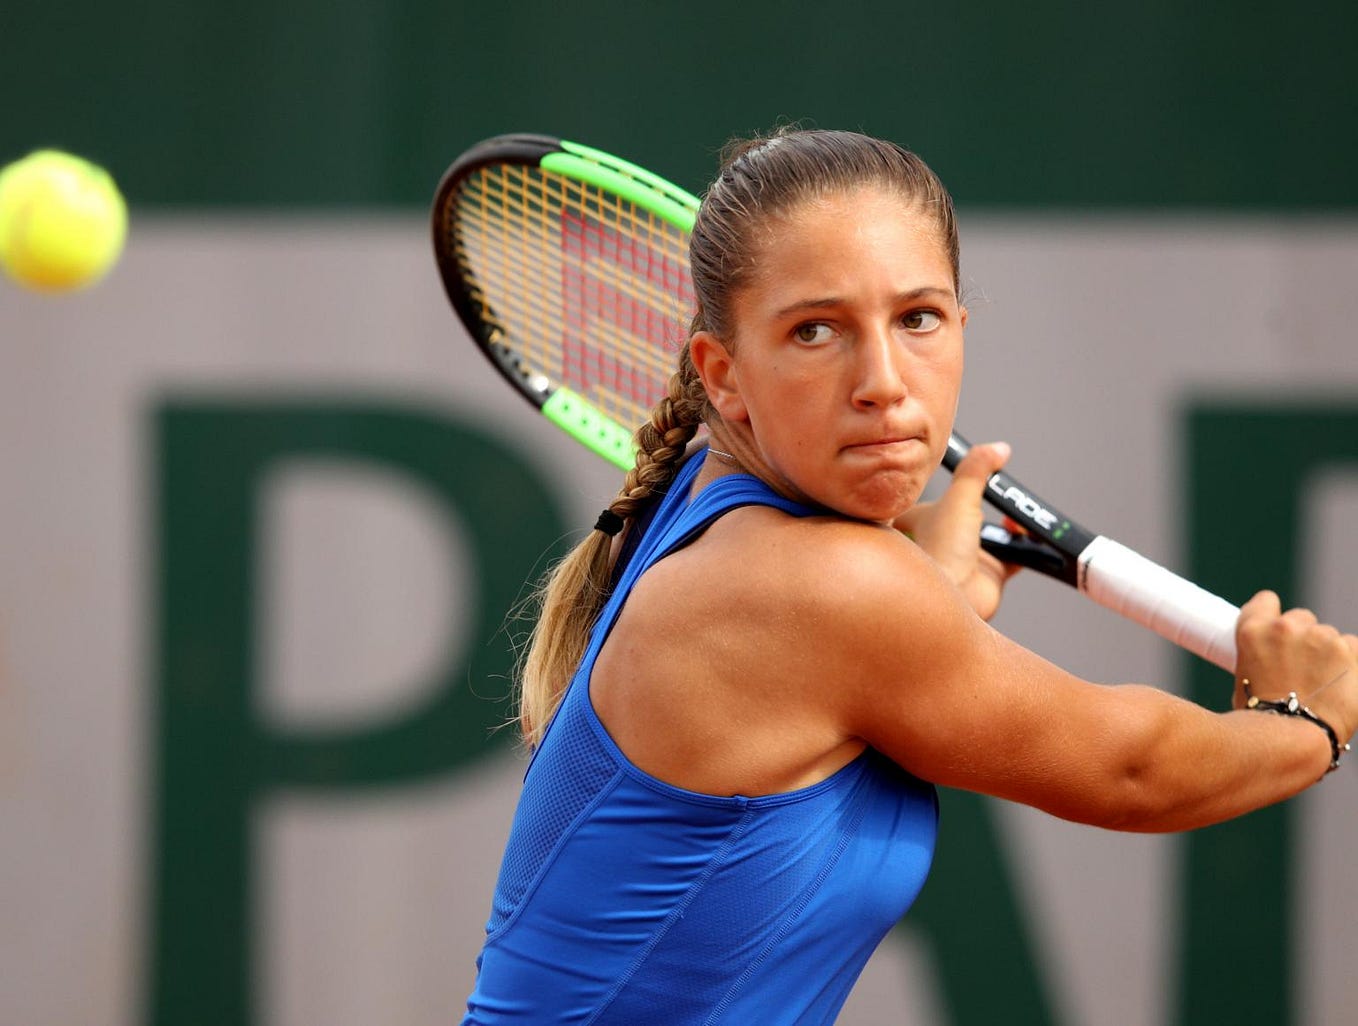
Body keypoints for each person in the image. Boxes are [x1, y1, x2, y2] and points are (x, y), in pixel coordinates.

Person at [459, 129, 1357, 1024]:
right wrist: (1308, 717)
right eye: (816, 331)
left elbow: (822, 690)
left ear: (962, 329)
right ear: (723, 376)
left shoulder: (715, 522)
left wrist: (930, 590)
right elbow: (1136, 770)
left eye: (917, 318)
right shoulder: (817, 584)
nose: (883, 382)